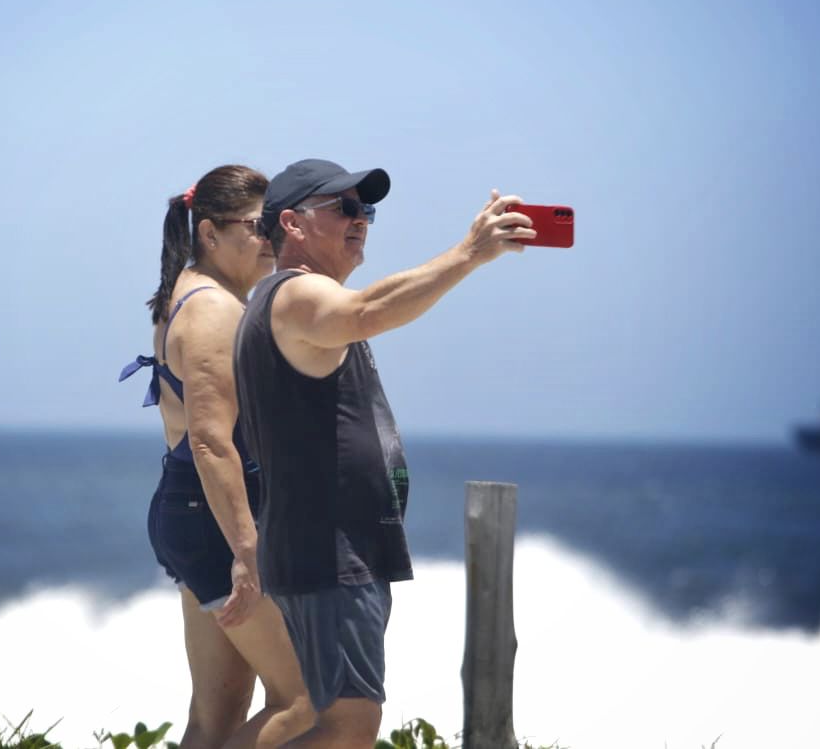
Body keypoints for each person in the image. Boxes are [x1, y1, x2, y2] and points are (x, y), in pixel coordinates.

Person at [233, 159, 536, 749]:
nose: (361, 220)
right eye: (343, 207)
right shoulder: (297, 295)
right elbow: (367, 310)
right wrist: (470, 253)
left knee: (328, 719)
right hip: (330, 549)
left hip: (332, 550)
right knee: (348, 731)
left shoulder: (294, 299)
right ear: (291, 224)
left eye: (365, 209)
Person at [120, 165, 313, 749]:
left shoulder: (189, 293)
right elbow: (210, 441)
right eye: (258, 227)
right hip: (213, 521)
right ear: (209, 232)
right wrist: (247, 553)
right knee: (307, 699)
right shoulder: (211, 310)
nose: (272, 241)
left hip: (192, 511)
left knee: (218, 715)